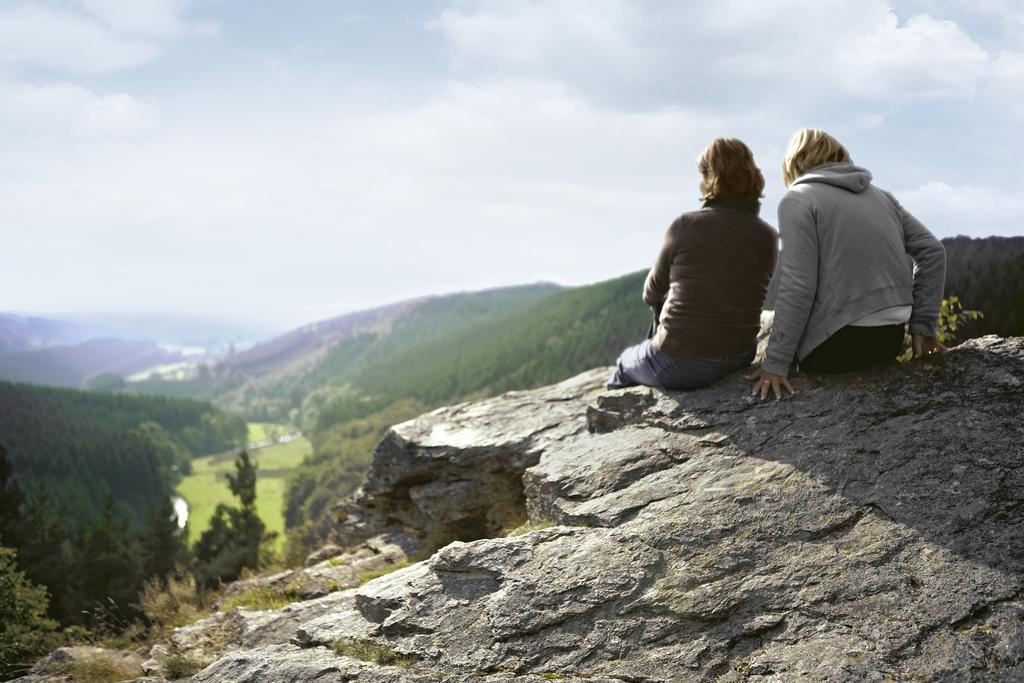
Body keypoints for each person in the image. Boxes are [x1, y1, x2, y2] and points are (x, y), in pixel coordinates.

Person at [749, 128, 946, 400]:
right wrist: (923, 326)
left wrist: (775, 364)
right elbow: (933, 251)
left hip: (837, 348)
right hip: (889, 341)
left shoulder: (798, 198)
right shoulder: (881, 196)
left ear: (793, 162)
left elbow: (798, 284)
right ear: (840, 156)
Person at [608, 138, 779, 390]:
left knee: (624, 364)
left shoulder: (684, 226)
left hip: (679, 361)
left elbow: (651, 293)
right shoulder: (768, 236)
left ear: (710, 178)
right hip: (739, 356)